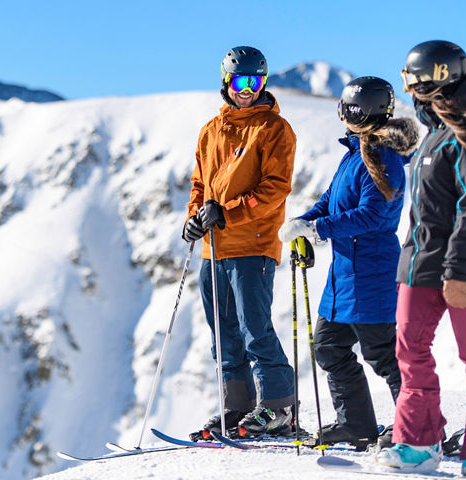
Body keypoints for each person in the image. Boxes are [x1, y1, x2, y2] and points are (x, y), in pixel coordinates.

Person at [376, 40, 466, 478]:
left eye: (414, 80)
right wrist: (408, 267)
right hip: (421, 266)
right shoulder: (434, 135)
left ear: (438, 77)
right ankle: (418, 443)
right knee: (410, 352)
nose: (411, 90)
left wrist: (459, 272)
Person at [278, 76, 417, 450]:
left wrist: (318, 228)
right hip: (344, 278)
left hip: (370, 275)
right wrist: (302, 223)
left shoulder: (385, 159)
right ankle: (356, 425)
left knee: (384, 355)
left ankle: (417, 427)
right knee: (328, 346)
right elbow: (330, 200)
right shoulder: (355, 153)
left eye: (347, 110)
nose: (343, 116)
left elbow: (373, 216)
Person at [182, 46, 298, 441]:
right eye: (239, 81)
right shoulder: (210, 131)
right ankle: (237, 408)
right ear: (226, 82)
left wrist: (226, 212)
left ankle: (279, 406)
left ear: (263, 83)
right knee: (223, 333)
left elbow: (275, 190)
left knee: (254, 328)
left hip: (253, 244)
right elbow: (201, 186)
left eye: (255, 81)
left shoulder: (274, 129)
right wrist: (194, 218)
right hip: (213, 248)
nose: (247, 89)